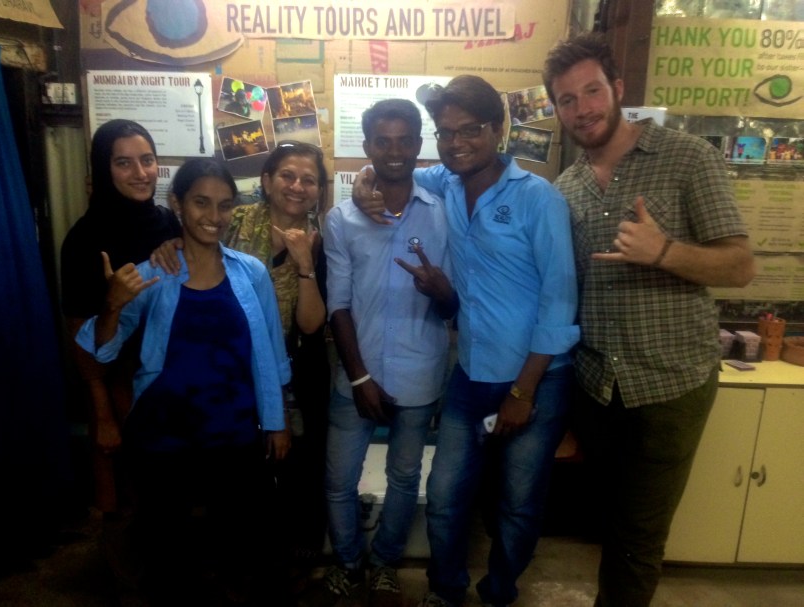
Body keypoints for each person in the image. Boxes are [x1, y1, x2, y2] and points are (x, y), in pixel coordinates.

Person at [542, 32, 755, 607]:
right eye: (567, 99)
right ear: (557, 110)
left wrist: (663, 251)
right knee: (610, 522)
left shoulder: (688, 157)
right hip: (596, 388)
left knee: (638, 536)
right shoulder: (565, 188)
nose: (583, 108)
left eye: (592, 91)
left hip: (670, 385)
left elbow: (740, 266)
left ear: (617, 89)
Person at [353, 75, 579, 607]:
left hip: (536, 379)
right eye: (445, 132)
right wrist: (364, 180)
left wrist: (523, 391)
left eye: (470, 130)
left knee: (517, 503)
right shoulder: (445, 183)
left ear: (498, 129)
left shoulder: (538, 199)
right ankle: (446, 589)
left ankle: (499, 591)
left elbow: (559, 302)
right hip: (470, 373)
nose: (456, 143)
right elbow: (393, 166)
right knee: (446, 495)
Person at [76, 158, 292, 606]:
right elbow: (101, 350)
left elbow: (271, 354)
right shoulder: (152, 273)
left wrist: (277, 421)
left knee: (240, 548)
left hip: (233, 432)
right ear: (177, 203)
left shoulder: (251, 273)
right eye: (201, 203)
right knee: (167, 550)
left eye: (225, 205)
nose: (214, 216)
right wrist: (112, 304)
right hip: (162, 436)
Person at [152, 141, 331, 576]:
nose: (297, 186)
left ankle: (292, 562)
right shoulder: (231, 219)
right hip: (226, 371)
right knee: (236, 479)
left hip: (293, 374)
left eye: (309, 180)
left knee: (296, 471)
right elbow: (196, 240)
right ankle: (226, 564)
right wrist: (171, 244)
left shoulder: (322, 240)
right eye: (287, 175)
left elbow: (311, 325)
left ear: (319, 191)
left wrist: (305, 266)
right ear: (266, 181)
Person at [309, 99, 456, 607]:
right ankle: (349, 564)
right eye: (383, 141)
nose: (395, 151)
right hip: (357, 374)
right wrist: (359, 378)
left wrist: (443, 293)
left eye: (404, 140)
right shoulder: (342, 219)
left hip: (419, 373)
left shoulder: (443, 213)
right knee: (338, 481)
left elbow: (452, 306)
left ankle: (385, 564)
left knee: (404, 477)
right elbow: (338, 304)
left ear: (418, 144)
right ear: (367, 146)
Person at [60, 119, 182, 517]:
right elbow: (78, 332)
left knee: (166, 493)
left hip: (165, 378)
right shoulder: (84, 239)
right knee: (123, 501)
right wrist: (103, 415)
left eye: (147, 160)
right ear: (103, 169)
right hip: (114, 385)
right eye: (124, 163)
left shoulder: (167, 222)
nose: (141, 173)